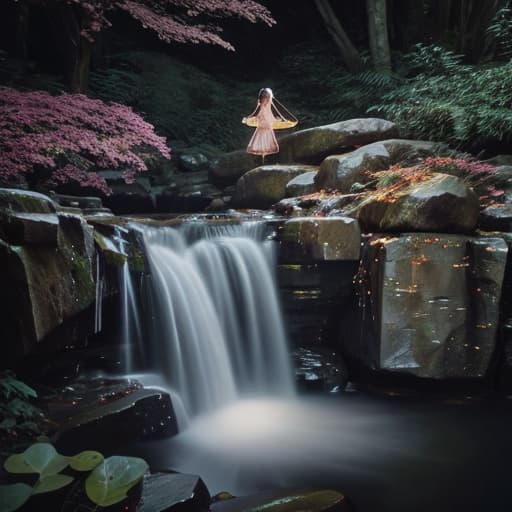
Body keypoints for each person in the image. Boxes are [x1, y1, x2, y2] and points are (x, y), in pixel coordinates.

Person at [242, 88, 297, 159]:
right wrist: (248, 118)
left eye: (267, 97)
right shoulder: (260, 105)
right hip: (262, 124)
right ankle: (262, 154)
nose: (266, 99)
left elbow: (276, 112)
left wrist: (283, 119)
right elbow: (255, 113)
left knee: (267, 137)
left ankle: (265, 155)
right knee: (260, 138)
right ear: (262, 97)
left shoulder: (269, 104)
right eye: (264, 97)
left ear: (269, 97)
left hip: (267, 124)